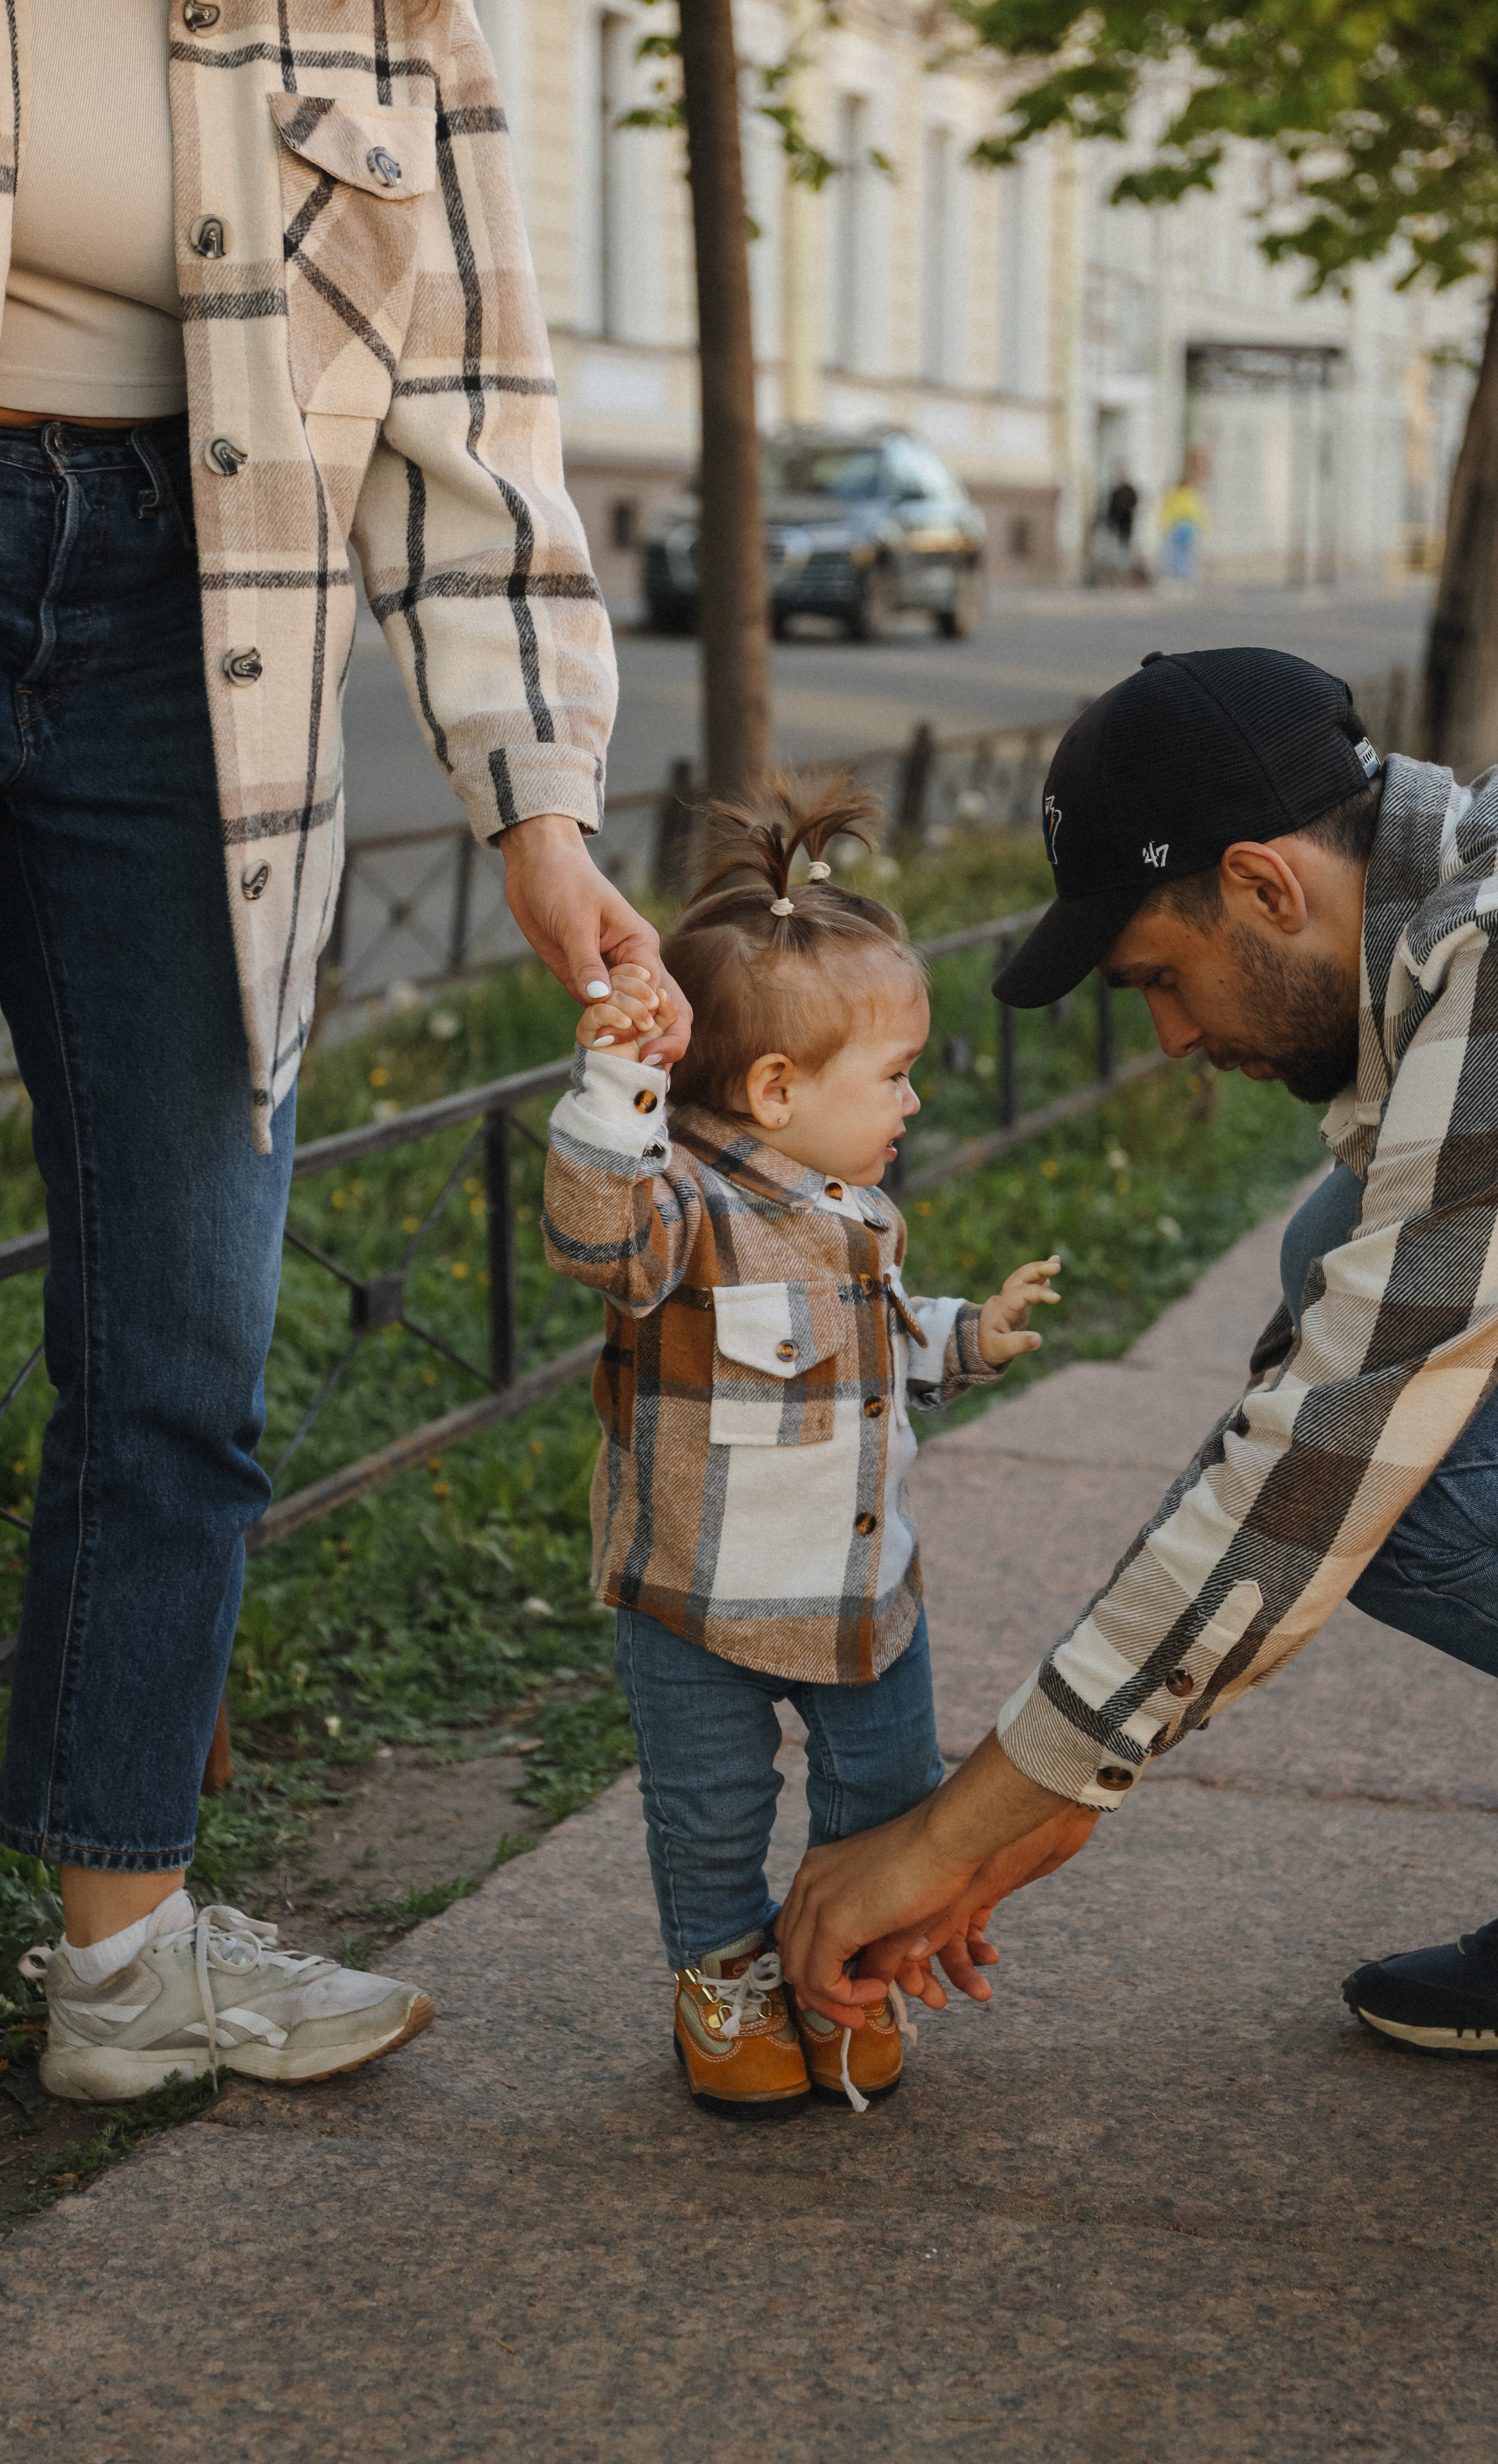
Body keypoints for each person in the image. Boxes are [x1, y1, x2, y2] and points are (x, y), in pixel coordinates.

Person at [1, 0, 687, 2102]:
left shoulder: (382, 15)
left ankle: (124, 1957)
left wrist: (540, 819)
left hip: (187, 623)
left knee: (182, 1335)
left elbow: (467, 413)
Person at [778, 644, 1498, 2066]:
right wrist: (1042, 1800)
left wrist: (970, 1829)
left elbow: (1329, 1451)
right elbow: (1323, 1377)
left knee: (1409, 1483)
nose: (1173, 1035)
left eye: (1159, 979)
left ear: (1262, 887)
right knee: (1335, 1255)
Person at [540, 787, 1060, 2114]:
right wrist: (618, 1082)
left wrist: (966, 1337)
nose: (915, 1099)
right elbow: (595, 1237)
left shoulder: (856, 1212)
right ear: (776, 1088)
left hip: (861, 1602)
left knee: (885, 1794)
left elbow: (868, 1344)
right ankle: (724, 1983)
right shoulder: (683, 1212)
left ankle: (846, 1974)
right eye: (892, 1075)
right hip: (697, 1605)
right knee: (709, 1814)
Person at [1157, 476, 1207, 585]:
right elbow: (1198, 513)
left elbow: (1167, 511)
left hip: (1179, 526)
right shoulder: (1190, 496)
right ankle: (1185, 575)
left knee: (1178, 553)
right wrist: (1201, 527)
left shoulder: (1176, 496)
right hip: (1186, 527)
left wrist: (1164, 525)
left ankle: (1180, 575)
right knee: (1185, 552)